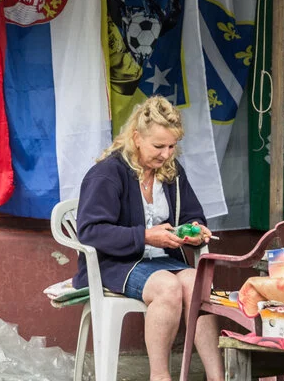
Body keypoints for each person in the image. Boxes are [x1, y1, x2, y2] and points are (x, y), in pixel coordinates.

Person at [73, 96, 222, 381]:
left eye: (171, 146)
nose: (166, 154)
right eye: (158, 146)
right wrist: (145, 237)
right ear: (136, 138)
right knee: (167, 287)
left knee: (198, 282)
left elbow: (193, 214)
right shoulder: (107, 173)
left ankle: (218, 377)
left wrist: (195, 230)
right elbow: (91, 231)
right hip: (115, 262)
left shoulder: (172, 173)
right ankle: (160, 376)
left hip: (162, 261)